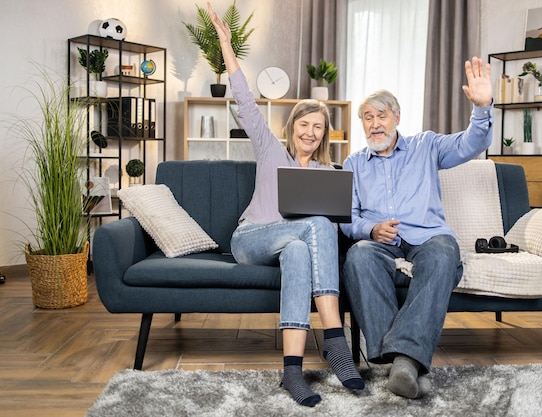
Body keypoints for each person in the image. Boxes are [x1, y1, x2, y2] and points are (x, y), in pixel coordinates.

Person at [206, 2, 364, 408]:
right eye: (303, 124)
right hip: (250, 241)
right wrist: (226, 46)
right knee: (316, 225)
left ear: (325, 134)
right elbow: (243, 98)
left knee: (299, 249)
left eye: (318, 127)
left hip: (287, 246)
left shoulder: (331, 172)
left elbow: (341, 225)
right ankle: (335, 342)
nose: (310, 132)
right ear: (291, 127)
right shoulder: (270, 149)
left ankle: (291, 371)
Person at [340, 57, 493, 399]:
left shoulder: (427, 146)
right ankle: (408, 362)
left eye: (382, 116)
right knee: (358, 257)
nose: (375, 124)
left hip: (428, 235)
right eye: (368, 117)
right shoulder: (353, 164)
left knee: (442, 256)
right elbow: (347, 218)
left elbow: (471, 144)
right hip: (382, 241)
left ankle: (402, 362)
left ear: (397, 118)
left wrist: (482, 109)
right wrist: (371, 228)